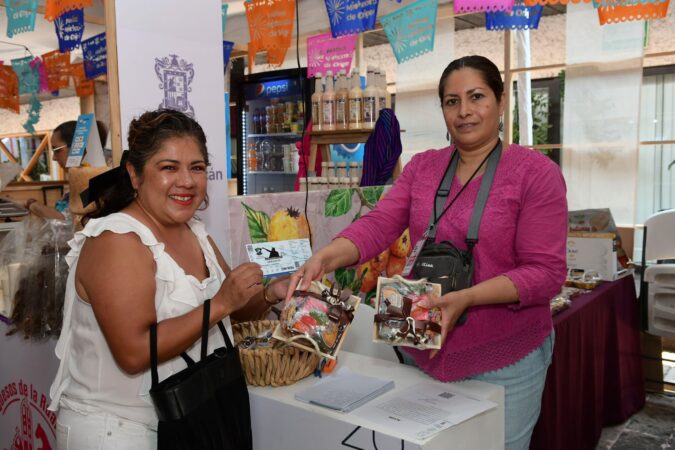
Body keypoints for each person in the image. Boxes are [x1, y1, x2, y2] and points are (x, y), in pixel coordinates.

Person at [288, 55, 567, 450]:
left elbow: (545, 273)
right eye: (452, 101)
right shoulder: (423, 168)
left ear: (501, 101)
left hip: (506, 360)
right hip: (423, 348)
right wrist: (326, 257)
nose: (465, 111)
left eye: (476, 97)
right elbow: (378, 224)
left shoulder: (535, 173)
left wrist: (465, 298)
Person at [49, 109, 288, 448]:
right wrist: (220, 303)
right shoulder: (117, 239)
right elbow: (133, 352)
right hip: (116, 431)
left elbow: (230, 312)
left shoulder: (194, 231)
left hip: (183, 421)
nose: (187, 181)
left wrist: (269, 293)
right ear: (134, 174)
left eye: (197, 168)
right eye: (168, 168)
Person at [4, 120, 109, 220]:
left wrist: (29, 203)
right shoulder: (78, 181)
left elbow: (65, 219)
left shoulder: (97, 181)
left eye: (57, 150)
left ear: (77, 148)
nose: (54, 158)